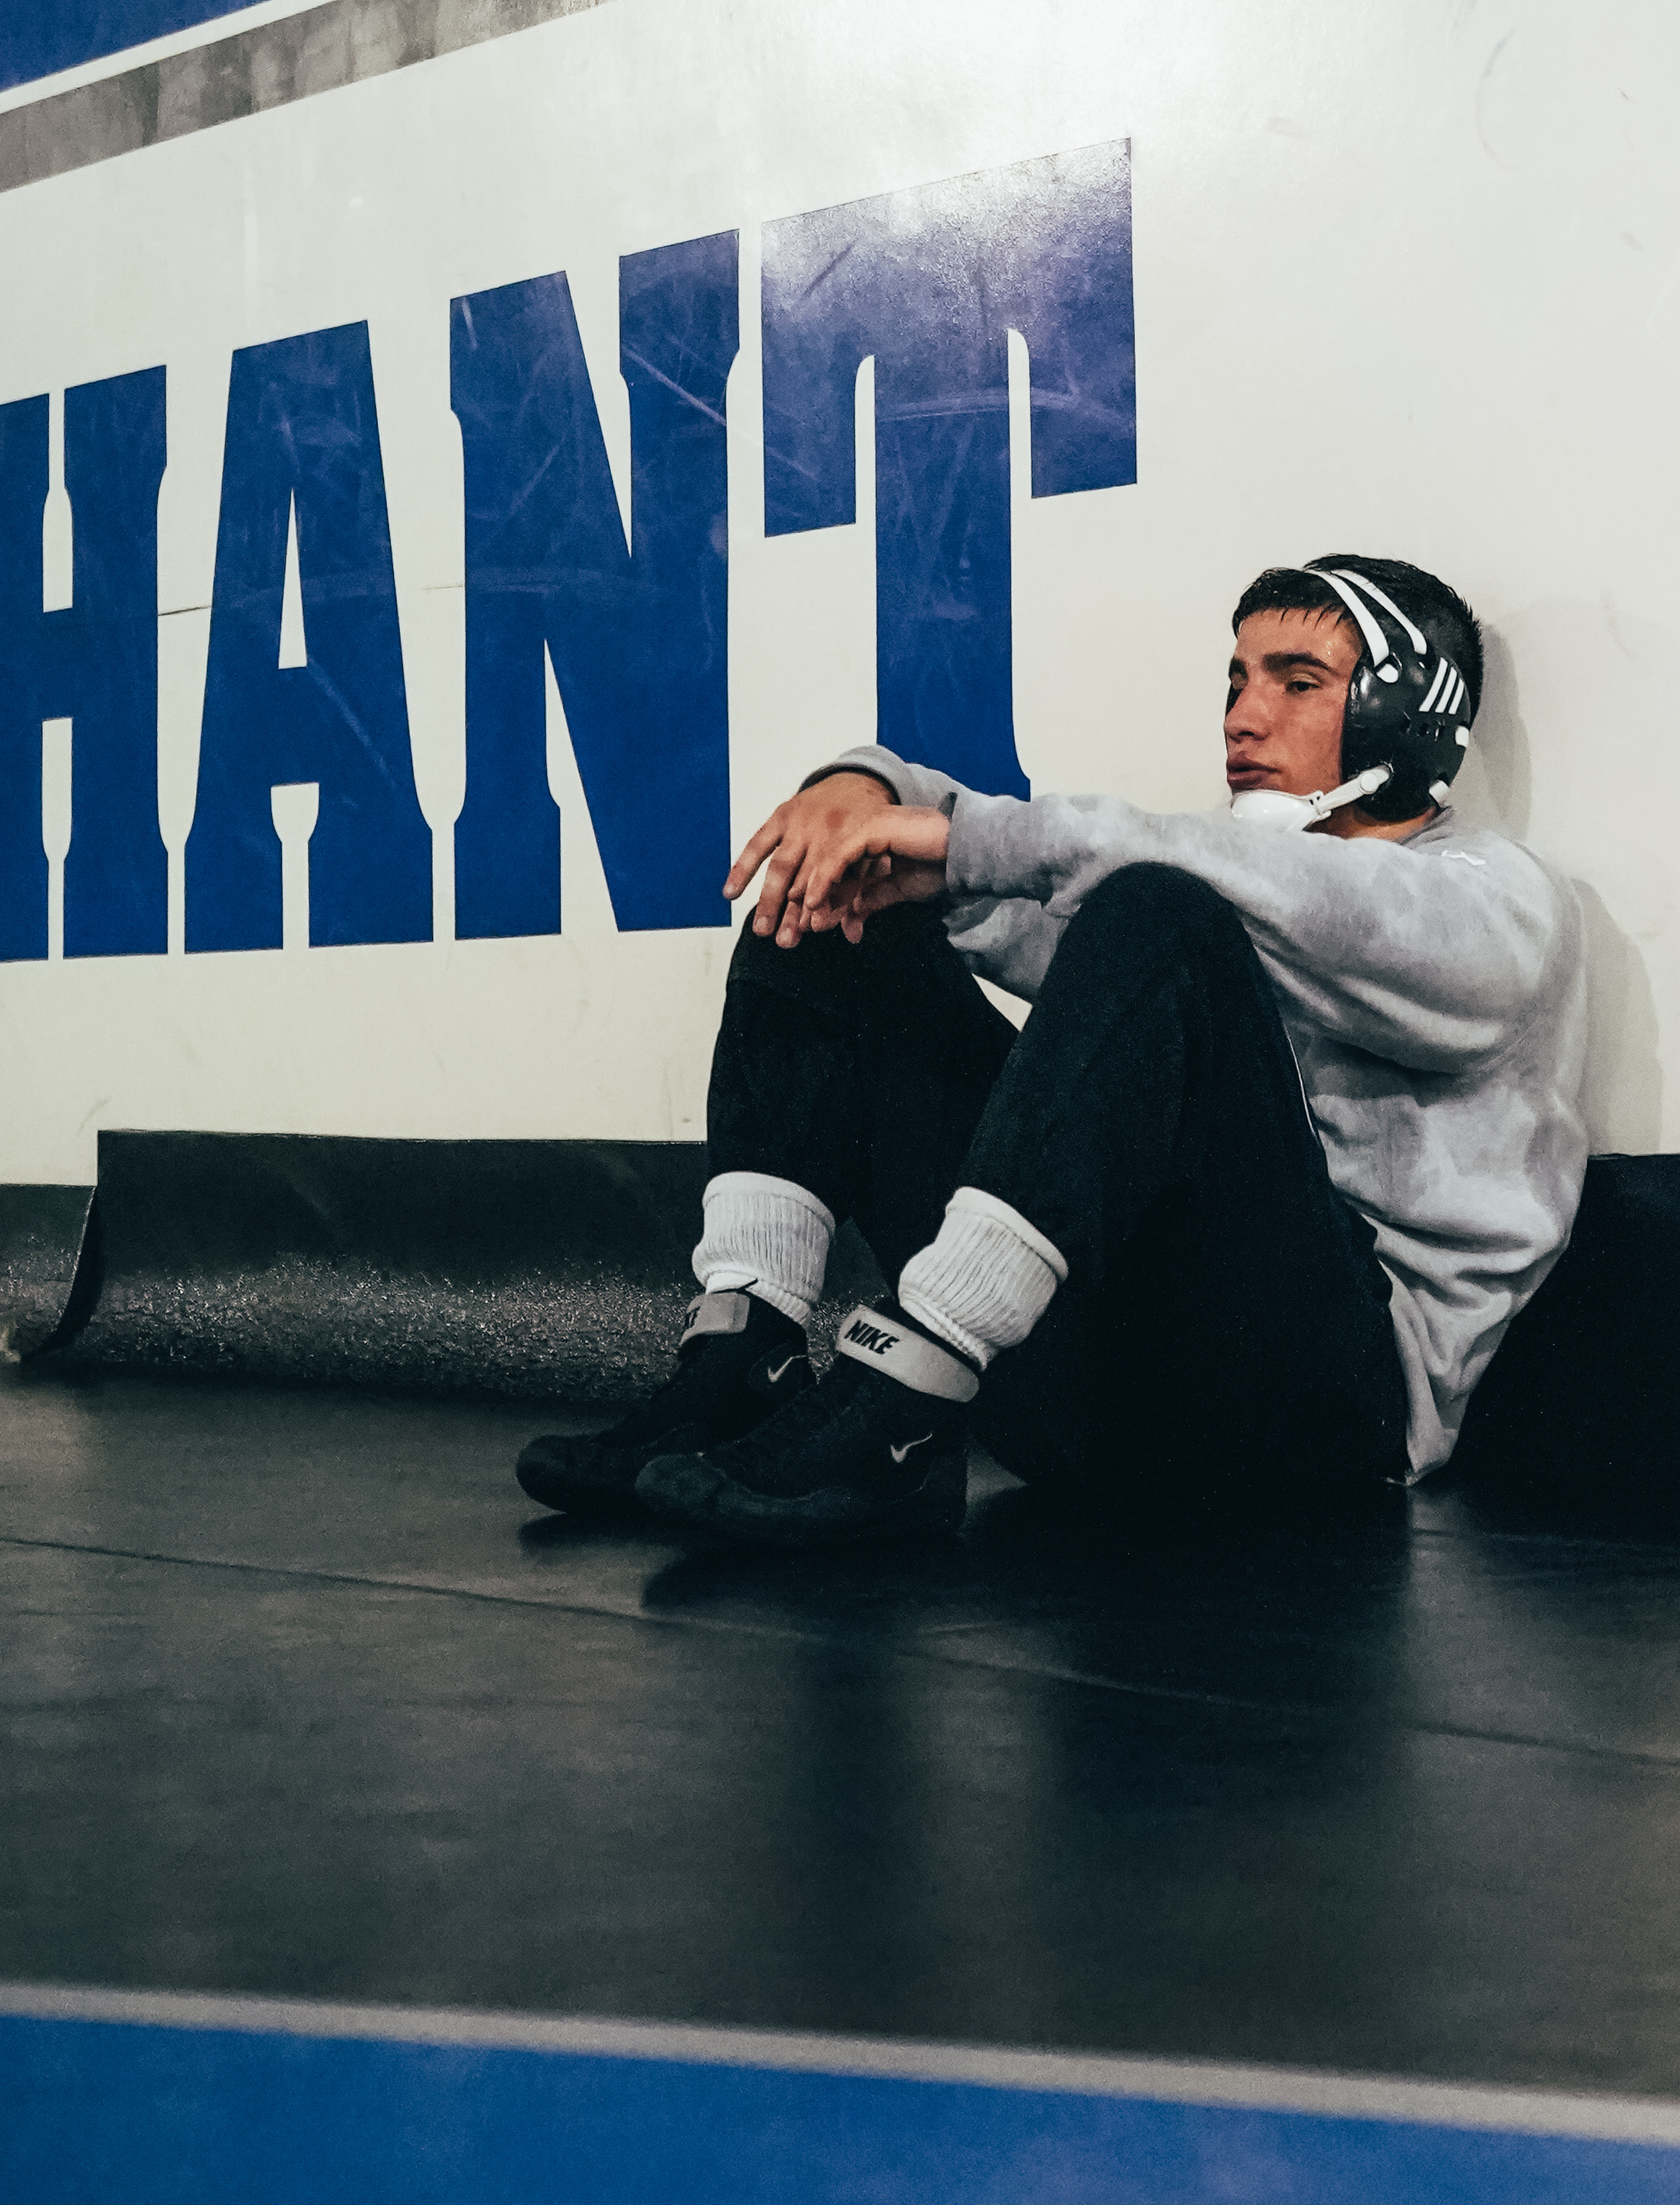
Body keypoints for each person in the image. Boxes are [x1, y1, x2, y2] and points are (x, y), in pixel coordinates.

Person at [514, 556, 1588, 1546]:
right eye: (1236, 678)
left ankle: (907, 1382)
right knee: (851, 902)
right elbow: (1014, 882)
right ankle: (746, 1365)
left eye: (1297, 680)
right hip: (1090, 1396)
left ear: (1403, 714)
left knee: (1160, 906)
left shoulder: (1501, 906)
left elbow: (1322, 912)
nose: (1244, 716)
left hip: (1318, 1419)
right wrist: (864, 786)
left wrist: (974, 835)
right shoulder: (1209, 901)